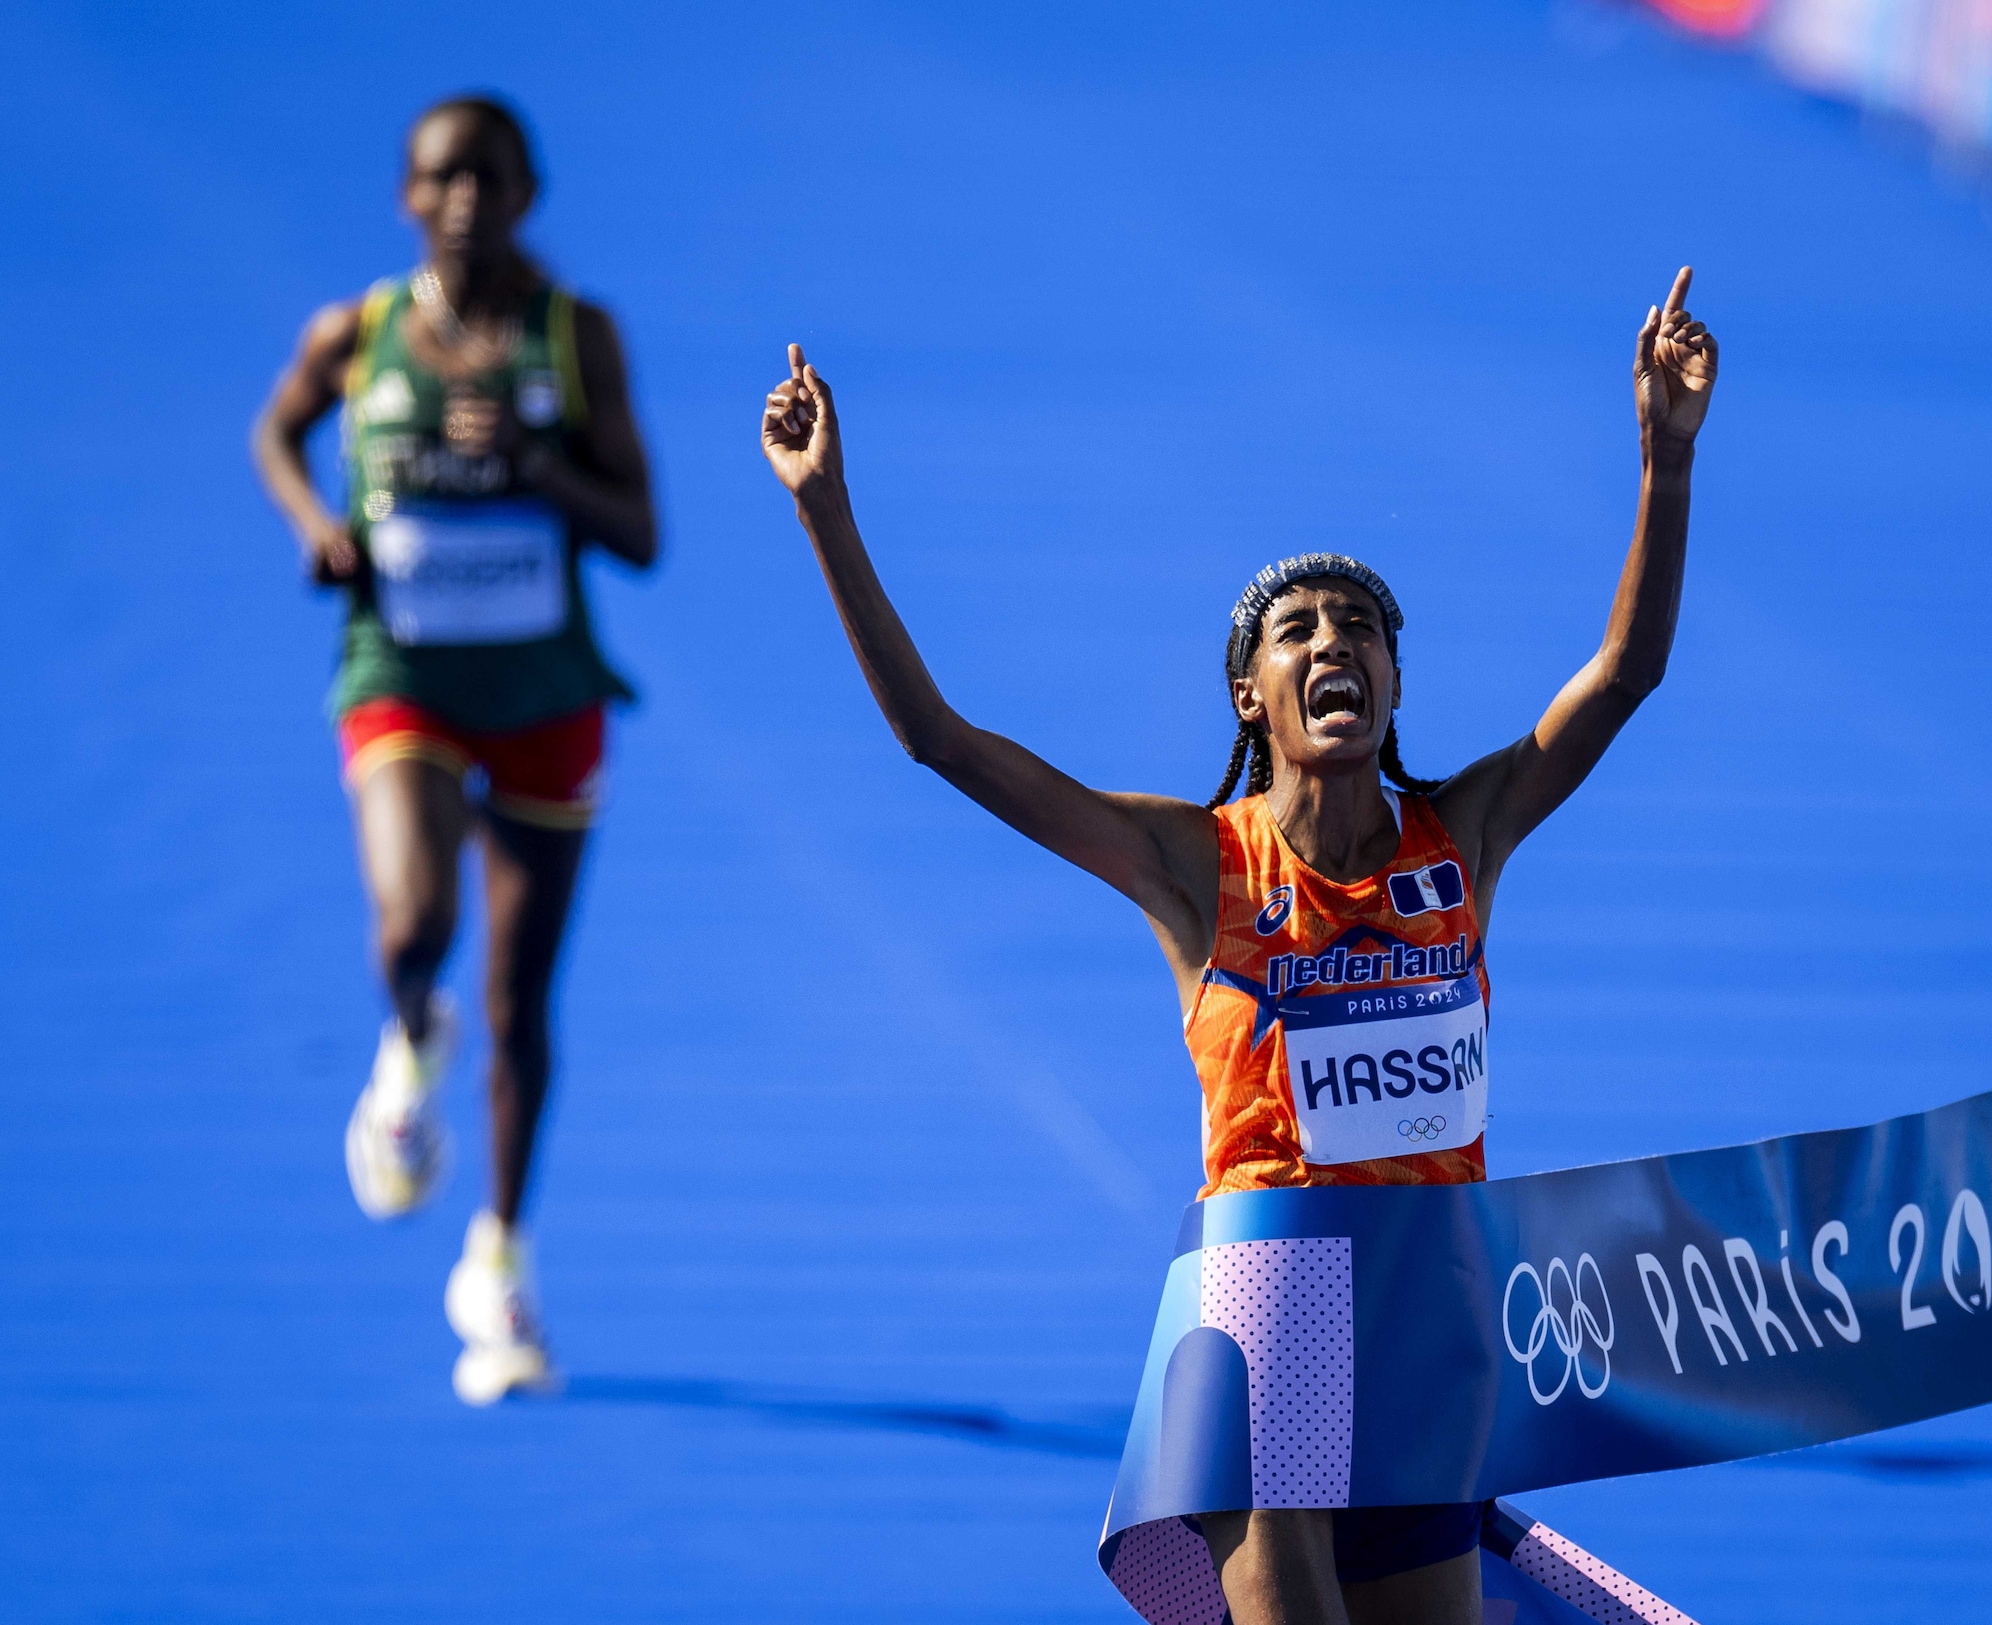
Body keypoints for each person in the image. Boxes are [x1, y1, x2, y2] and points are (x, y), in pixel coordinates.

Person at [760, 269, 1714, 1623]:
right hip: (1272, 1294)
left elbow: (1623, 675)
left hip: (1431, 1312)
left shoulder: (1467, 835)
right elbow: (940, 740)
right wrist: (825, 509)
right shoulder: (1195, 862)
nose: (1336, 642)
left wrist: (1664, 461)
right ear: (1249, 693)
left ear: (1392, 684)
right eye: (1299, 630)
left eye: (1363, 628)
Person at [251, 95, 658, 1406]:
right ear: (407, 199)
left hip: (542, 686)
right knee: (417, 920)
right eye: (443, 177)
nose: (468, 197)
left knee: (521, 1000)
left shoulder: (573, 337)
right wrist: (317, 520)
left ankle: (500, 1258)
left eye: (490, 175)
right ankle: (405, 1042)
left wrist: (542, 467)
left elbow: (642, 529)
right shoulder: (358, 333)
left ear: (529, 190)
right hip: (406, 675)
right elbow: (274, 432)